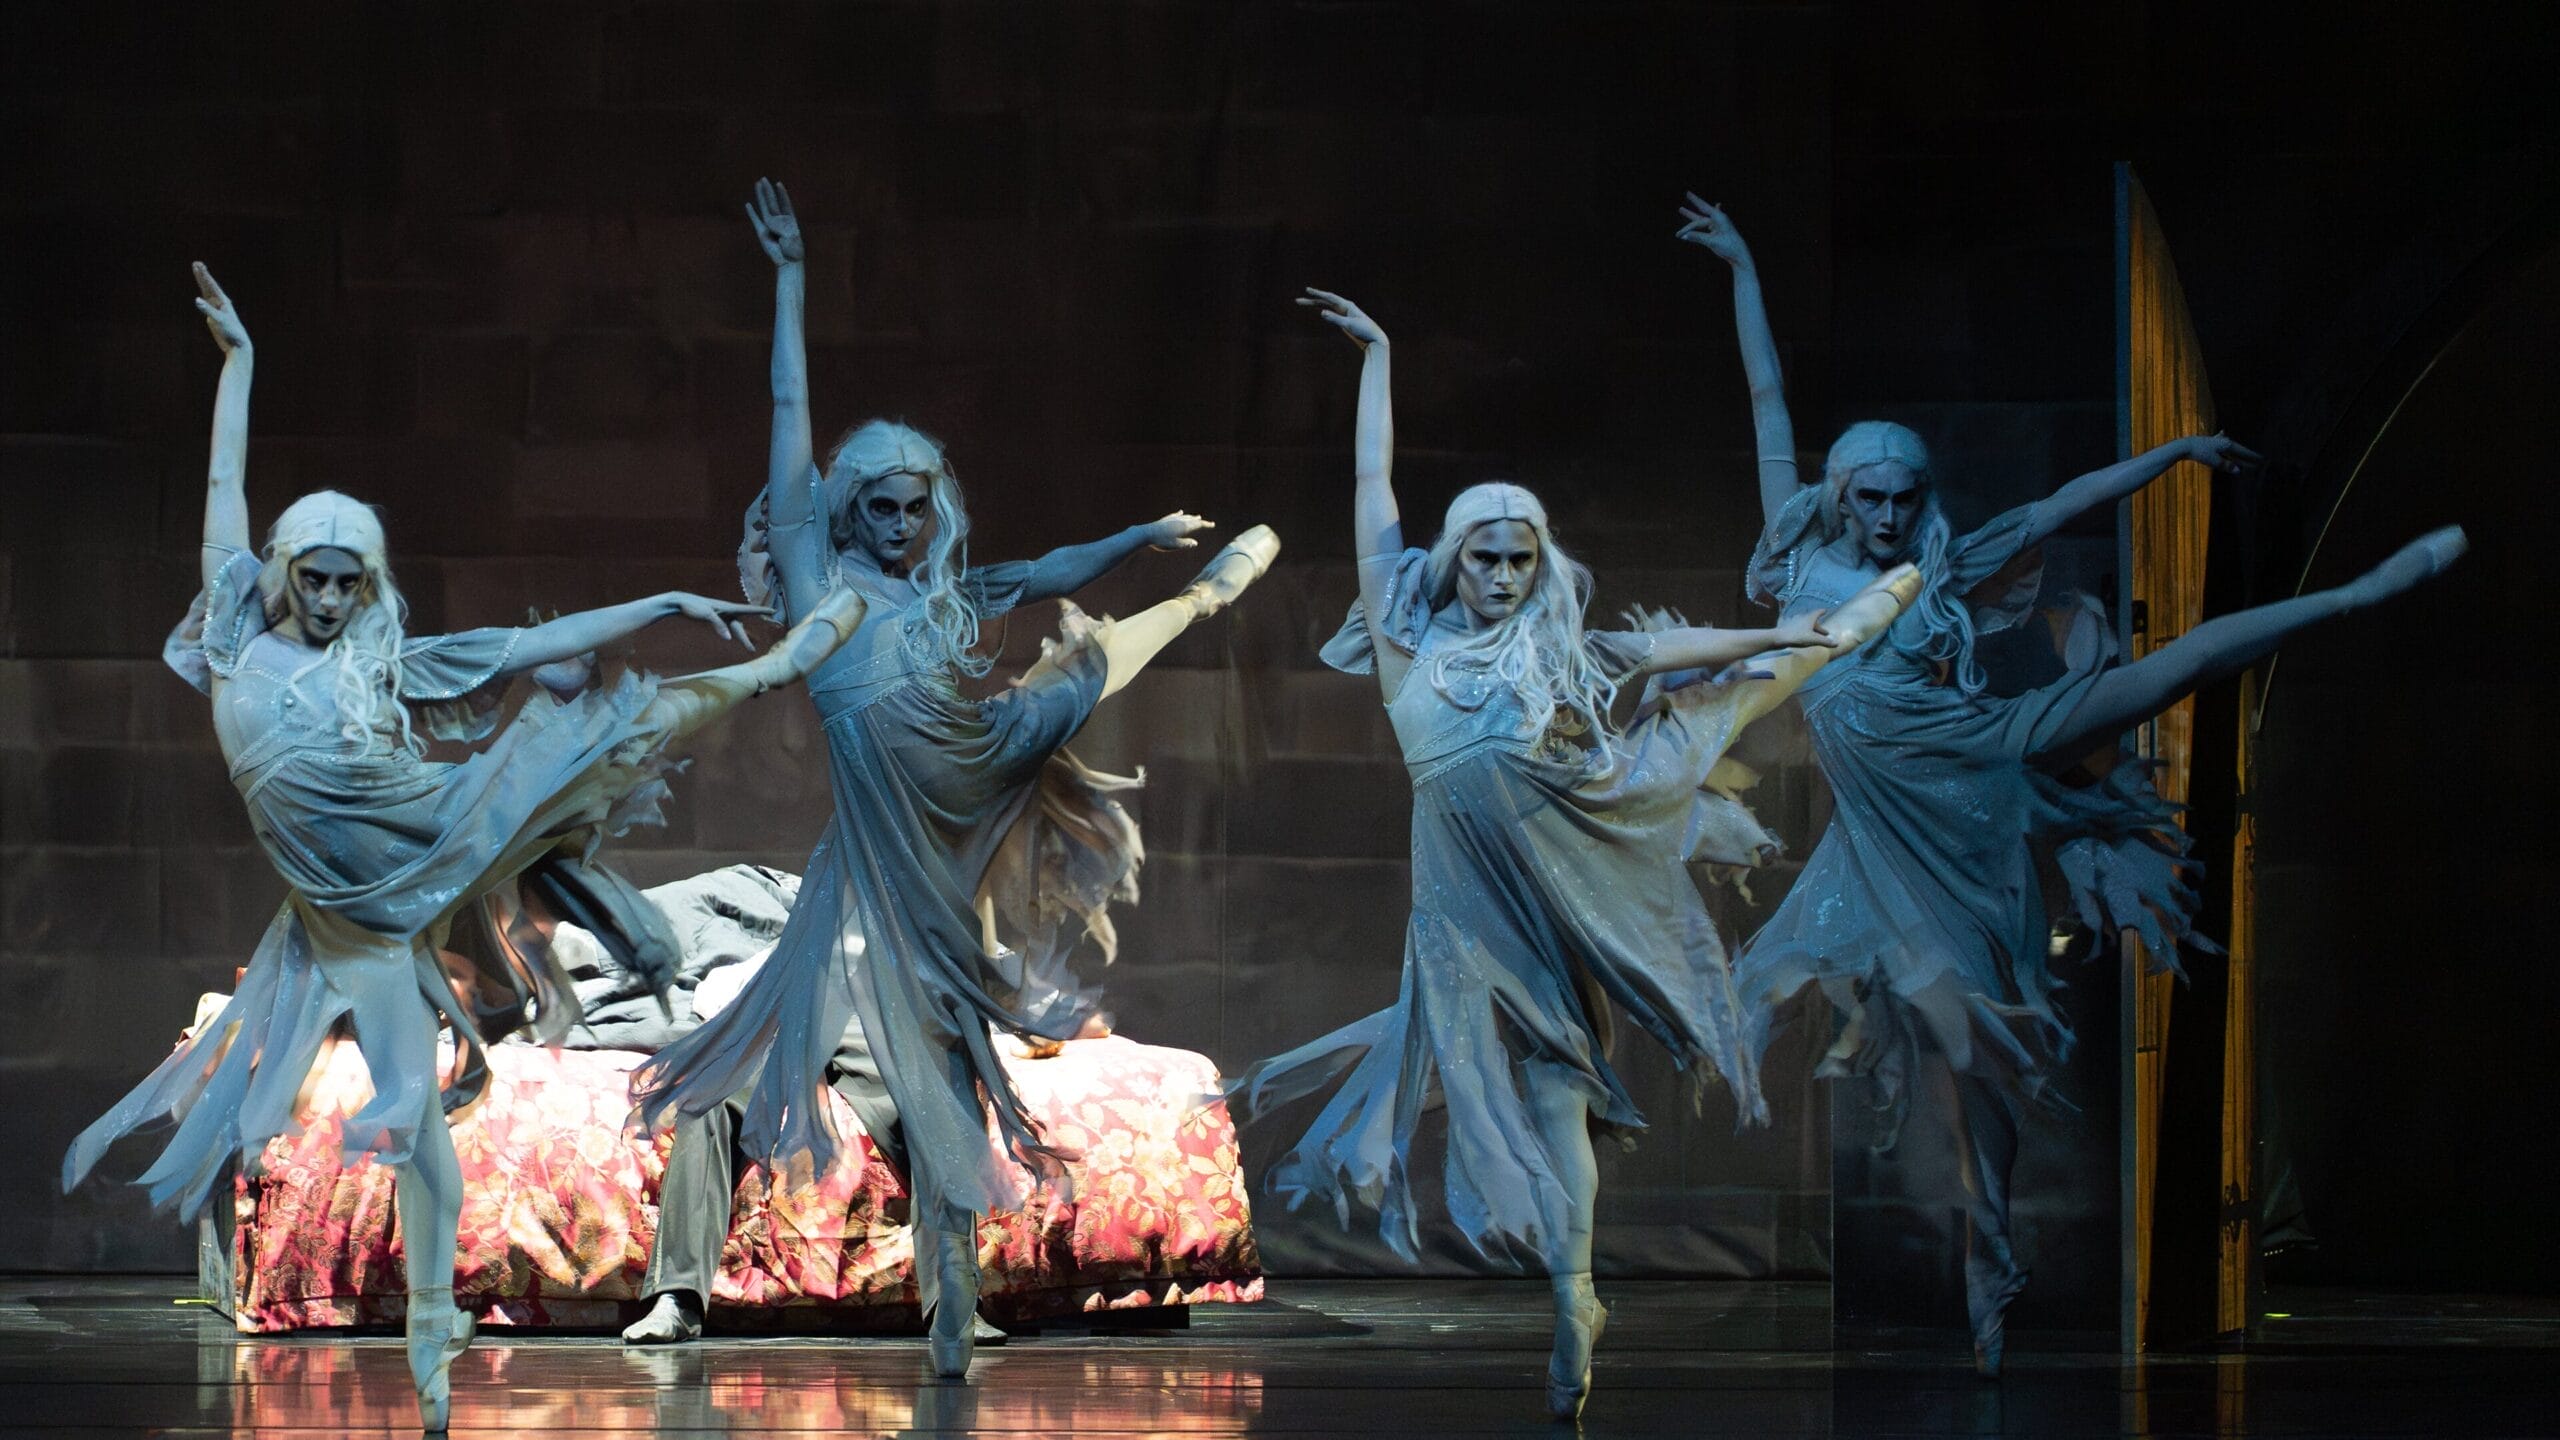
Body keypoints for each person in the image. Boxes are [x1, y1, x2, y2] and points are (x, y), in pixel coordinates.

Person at [62, 266, 863, 1432]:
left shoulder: (381, 663)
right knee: (400, 1109)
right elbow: (223, 493)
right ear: (281, 575)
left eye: (348, 581)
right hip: (342, 917)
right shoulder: (236, 630)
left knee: (584, 741)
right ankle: (434, 1317)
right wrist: (239, 366)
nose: (331, 598)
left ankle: (770, 667)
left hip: (415, 844)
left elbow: (511, 649)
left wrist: (657, 601)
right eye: (314, 579)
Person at [1681, 194, 2469, 1375]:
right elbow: (1765, 402)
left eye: (1904, 498)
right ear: (1840, 494)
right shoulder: (1796, 561)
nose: (1889, 517)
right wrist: (1744, 265)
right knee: (1963, 1042)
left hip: (1982, 759)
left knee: (2152, 683)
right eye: (1870, 498)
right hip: (1887, 831)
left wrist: (2176, 455)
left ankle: (2355, 595)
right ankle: (1987, 1251)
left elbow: (2059, 506)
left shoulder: (1944, 561)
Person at [1225, 288, 1922, 1421]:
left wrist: (1778, 631)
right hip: (1460, 908)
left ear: (1538, 562)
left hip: (1566, 862)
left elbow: (1654, 647)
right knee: (1506, 1091)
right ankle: (1571, 1291)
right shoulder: (1408, 644)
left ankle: (1574, 1296)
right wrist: (1380, 360)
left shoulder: (1562, 653)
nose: (1503, 577)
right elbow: (1370, 494)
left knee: (1716, 708)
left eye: (1520, 560)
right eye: (1486, 559)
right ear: (1455, 562)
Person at [630, 179, 1280, 1379]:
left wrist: (1136, 543)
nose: (897, 525)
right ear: (841, 511)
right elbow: (785, 415)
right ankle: (681, 1293)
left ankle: (1210, 592)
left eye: (915, 508)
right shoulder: (821, 579)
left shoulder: (942, 592)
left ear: (934, 509)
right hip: (880, 852)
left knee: (1087, 666)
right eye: (876, 507)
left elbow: (1044, 568)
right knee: (741, 1079)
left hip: (970, 764)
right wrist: (788, 282)